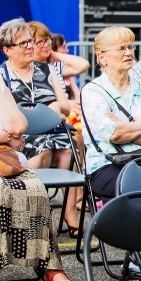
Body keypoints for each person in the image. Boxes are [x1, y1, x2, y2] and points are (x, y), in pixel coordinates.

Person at [0, 23, 78, 281]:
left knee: (35, 186)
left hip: (5, 160)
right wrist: (2, 137)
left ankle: (49, 266)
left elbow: (19, 127)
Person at [0, 20, 78, 232]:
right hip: (23, 136)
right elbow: (1, 113)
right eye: (23, 43)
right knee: (44, 151)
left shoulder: (47, 69)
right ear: (7, 50)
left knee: (68, 150)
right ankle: (34, 214)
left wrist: (55, 107)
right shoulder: (0, 75)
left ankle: (70, 212)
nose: (30, 46)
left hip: (55, 130)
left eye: (30, 41)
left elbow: (65, 107)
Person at [81, 27, 141, 202]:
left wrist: (124, 126)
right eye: (121, 48)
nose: (128, 53)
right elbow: (115, 134)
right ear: (101, 57)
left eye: (130, 47)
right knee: (137, 184)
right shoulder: (92, 91)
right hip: (107, 164)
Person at [27, 20, 89, 234]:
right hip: (37, 127)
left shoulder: (54, 67)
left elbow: (83, 65)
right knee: (57, 147)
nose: (45, 45)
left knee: (69, 151)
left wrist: (53, 54)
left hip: (59, 124)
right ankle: (40, 215)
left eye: (48, 40)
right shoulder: (25, 70)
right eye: (40, 42)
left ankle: (70, 213)